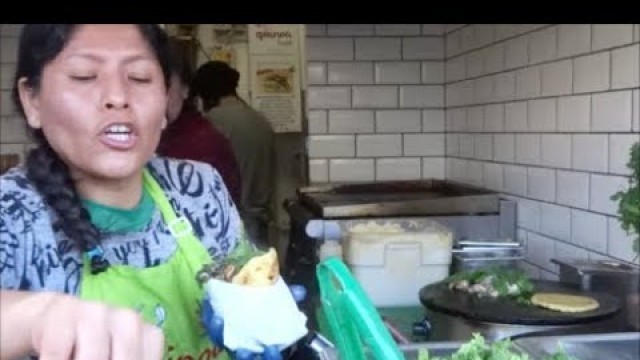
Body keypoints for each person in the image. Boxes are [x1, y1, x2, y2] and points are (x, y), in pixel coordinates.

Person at [0, 24, 302, 360]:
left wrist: (261, 318)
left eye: (140, 77)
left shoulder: (199, 189)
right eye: (85, 76)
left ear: (166, 101)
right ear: (33, 101)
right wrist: (36, 317)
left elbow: (243, 279)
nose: (118, 97)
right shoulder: (12, 212)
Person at [190, 61, 276, 249]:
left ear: (207, 93)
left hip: (233, 224)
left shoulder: (213, 123)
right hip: (260, 221)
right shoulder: (260, 120)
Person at [156, 41, 242, 205]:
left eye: (166, 83)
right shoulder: (147, 138)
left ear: (185, 88)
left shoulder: (203, 144)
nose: (156, 94)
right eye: (141, 81)